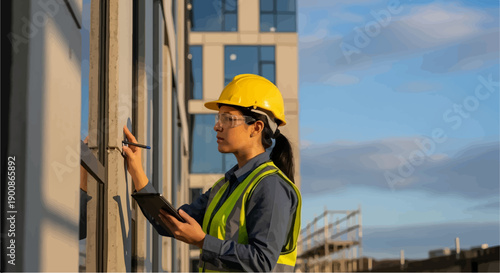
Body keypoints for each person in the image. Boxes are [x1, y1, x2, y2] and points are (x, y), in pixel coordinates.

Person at [122, 74, 302, 272]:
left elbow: (261, 261)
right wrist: (136, 171)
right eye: (219, 118)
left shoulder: (271, 186)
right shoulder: (224, 186)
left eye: (228, 119)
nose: (217, 126)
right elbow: (170, 223)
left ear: (256, 128)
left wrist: (202, 241)